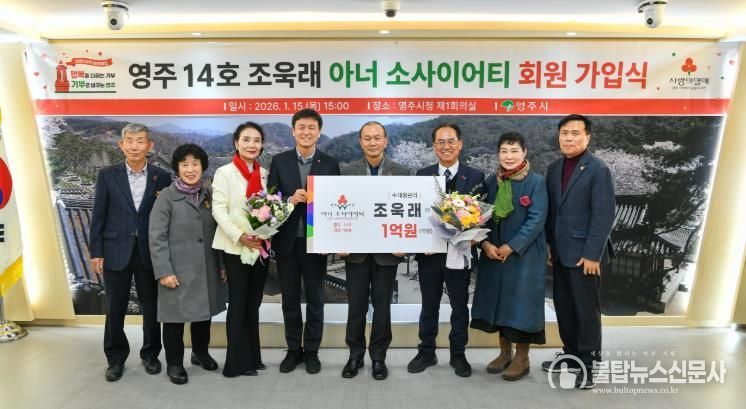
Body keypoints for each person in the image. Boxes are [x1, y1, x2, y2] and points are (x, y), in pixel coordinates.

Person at [89, 123, 171, 382]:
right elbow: (98, 216)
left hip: (149, 251)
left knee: (151, 307)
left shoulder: (162, 177)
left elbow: (166, 217)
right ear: (121, 144)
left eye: (140, 141)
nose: (135, 146)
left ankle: (151, 355)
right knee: (115, 307)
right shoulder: (107, 175)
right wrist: (96, 252)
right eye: (130, 141)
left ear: (150, 145)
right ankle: (115, 359)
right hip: (115, 250)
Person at [542, 114, 616, 390]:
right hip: (561, 251)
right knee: (564, 307)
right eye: (564, 133)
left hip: (586, 255)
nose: (569, 139)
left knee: (586, 312)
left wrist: (593, 254)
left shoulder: (598, 169)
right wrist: (549, 244)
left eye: (575, 133)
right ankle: (571, 354)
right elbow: (552, 212)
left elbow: (604, 215)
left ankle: (590, 363)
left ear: (588, 137)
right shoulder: (554, 168)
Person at [407, 123, 485, 378]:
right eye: (440, 142)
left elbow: (481, 214)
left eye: (451, 141)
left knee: (459, 306)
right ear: (434, 146)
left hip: (459, 253)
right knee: (428, 305)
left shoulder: (475, 176)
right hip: (429, 254)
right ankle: (426, 351)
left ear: (460, 144)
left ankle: (458, 354)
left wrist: (473, 238)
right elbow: (416, 213)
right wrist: (420, 240)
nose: (446, 146)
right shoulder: (423, 175)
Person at [470, 132, 548, 382]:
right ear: (498, 154)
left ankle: (522, 358)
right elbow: (481, 217)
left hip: (524, 256)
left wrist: (511, 246)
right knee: (499, 304)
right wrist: (485, 244)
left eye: (514, 151)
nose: (509, 156)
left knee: (521, 306)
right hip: (494, 254)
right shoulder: (491, 182)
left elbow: (536, 219)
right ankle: (505, 353)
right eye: (504, 151)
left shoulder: (536, 182)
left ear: (524, 153)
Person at [267, 108, 340, 374]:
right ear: (293, 131)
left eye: (311, 128)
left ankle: (311, 351)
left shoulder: (330, 163)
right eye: (301, 127)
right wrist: (290, 200)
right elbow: (270, 199)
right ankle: (293, 350)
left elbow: (336, 202)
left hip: (315, 241)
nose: (306, 132)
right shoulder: (279, 160)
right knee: (289, 300)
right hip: (287, 241)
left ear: (319, 132)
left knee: (315, 299)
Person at [338, 121, 410, 380]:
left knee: (382, 309)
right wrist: (336, 242)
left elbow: (410, 212)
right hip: (355, 254)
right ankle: (354, 355)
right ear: (360, 142)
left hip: (387, 254)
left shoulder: (402, 173)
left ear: (385, 141)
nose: (372, 142)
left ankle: (379, 357)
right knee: (355, 307)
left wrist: (406, 245)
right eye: (367, 138)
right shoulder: (346, 172)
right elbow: (333, 209)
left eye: (377, 137)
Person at [149, 143, 226, 385]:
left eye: (195, 164)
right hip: (176, 270)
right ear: (177, 168)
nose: (190, 169)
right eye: (185, 165)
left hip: (206, 267)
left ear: (203, 167)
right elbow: (156, 237)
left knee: (203, 315)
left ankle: (200, 353)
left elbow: (219, 232)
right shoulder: (166, 197)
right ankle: (174, 363)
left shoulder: (209, 195)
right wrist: (163, 271)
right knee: (174, 319)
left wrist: (221, 265)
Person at [212, 122, 269, 377]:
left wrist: (264, 232)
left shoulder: (264, 174)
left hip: (260, 247)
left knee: (253, 303)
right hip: (235, 247)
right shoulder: (224, 173)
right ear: (236, 143)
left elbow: (270, 209)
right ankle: (236, 363)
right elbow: (219, 210)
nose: (251, 145)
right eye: (246, 139)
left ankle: (253, 357)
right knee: (238, 303)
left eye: (256, 140)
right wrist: (240, 236)